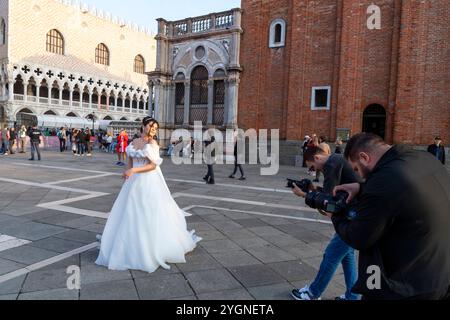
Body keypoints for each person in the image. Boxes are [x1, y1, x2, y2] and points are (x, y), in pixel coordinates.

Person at [332, 133, 450, 300]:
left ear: (364, 157)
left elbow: (358, 237)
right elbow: (403, 186)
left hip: (406, 286)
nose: (360, 175)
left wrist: (335, 213)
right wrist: (361, 187)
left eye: (357, 169)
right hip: (439, 274)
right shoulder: (423, 157)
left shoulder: (385, 180)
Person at [95, 117, 202, 273]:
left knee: (147, 211)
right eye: (151, 126)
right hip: (133, 182)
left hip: (148, 180)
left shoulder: (153, 144)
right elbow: (130, 160)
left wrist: (134, 171)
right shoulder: (134, 142)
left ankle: (150, 246)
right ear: (143, 126)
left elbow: (152, 166)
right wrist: (128, 172)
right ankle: (128, 243)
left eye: (155, 127)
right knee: (129, 212)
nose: (153, 129)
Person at [291, 146, 360, 300]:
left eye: (312, 166)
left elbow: (328, 206)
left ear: (316, 158)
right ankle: (353, 296)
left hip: (351, 218)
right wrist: (314, 190)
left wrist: (305, 195)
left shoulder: (331, 165)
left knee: (331, 255)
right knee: (347, 256)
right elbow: (332, 195)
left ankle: (312, 293)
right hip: (353, 215)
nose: (313, 170)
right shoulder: (336, 160)